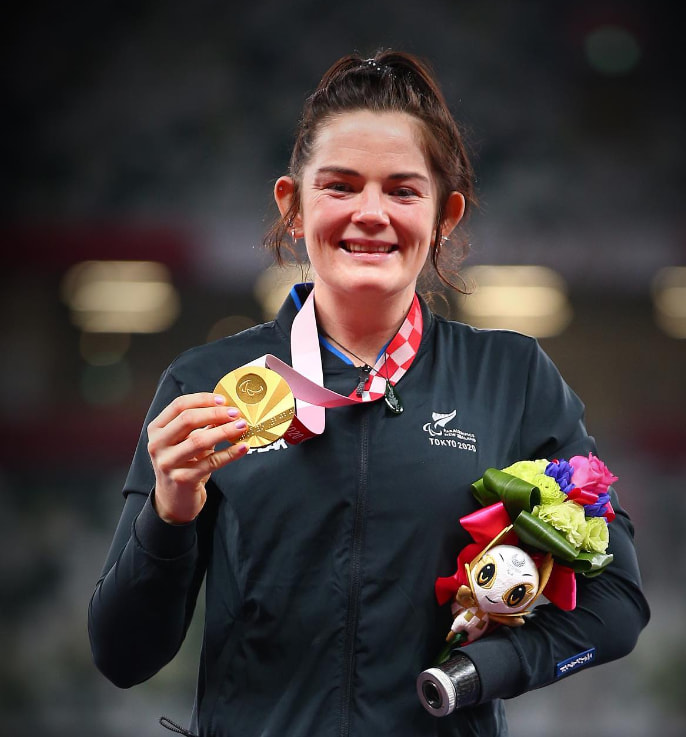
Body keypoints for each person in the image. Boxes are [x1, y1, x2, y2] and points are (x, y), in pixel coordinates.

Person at [88, 50, 649, 737]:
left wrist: (483, 670)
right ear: (292, 206)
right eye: (340, 185)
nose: (370, 212)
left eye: (403, 190)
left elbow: (615, 600)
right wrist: (169, 517)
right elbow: (120, 655)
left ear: (445, 215)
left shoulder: (512, 378)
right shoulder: (206, 385)